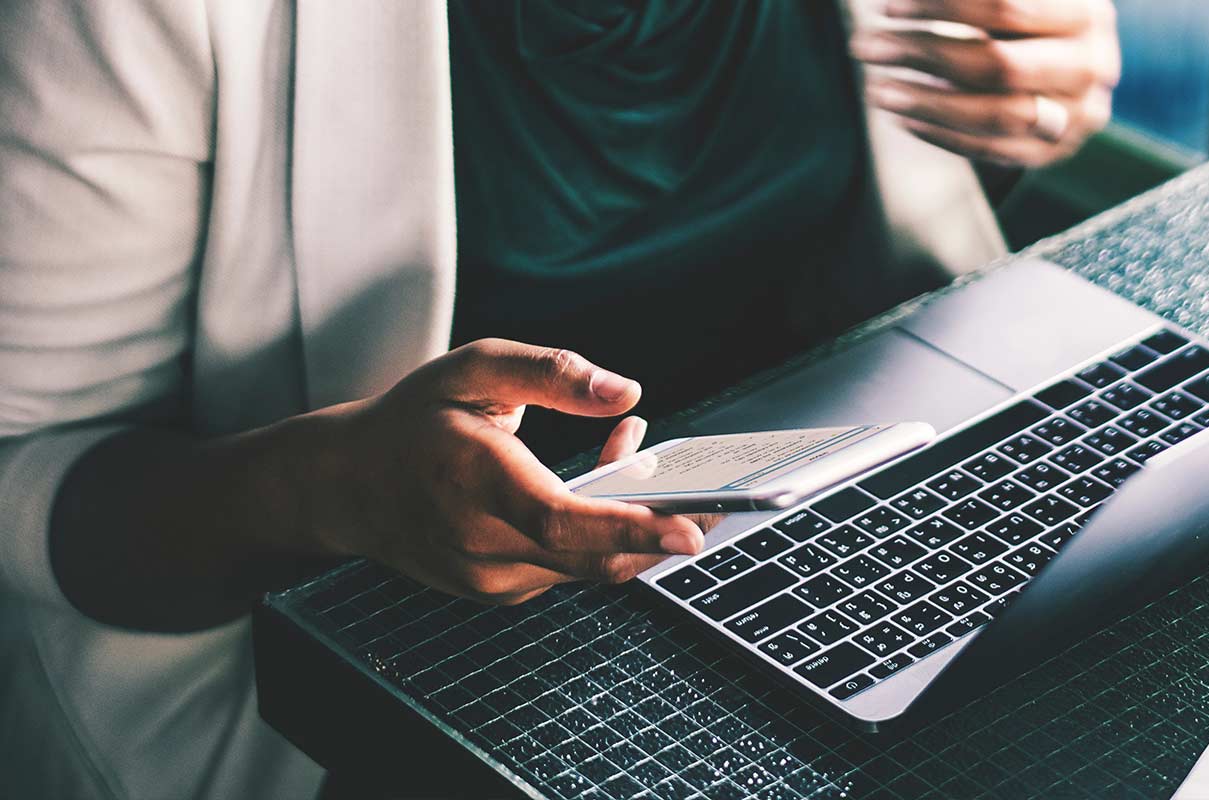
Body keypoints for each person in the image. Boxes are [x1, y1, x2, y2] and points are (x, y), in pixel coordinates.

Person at [0, 0, 1119, 797]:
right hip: (417, 675)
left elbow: (904, 181)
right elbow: (29, 468)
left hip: (858, 533)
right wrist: (326, 491)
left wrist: (1023, 101)